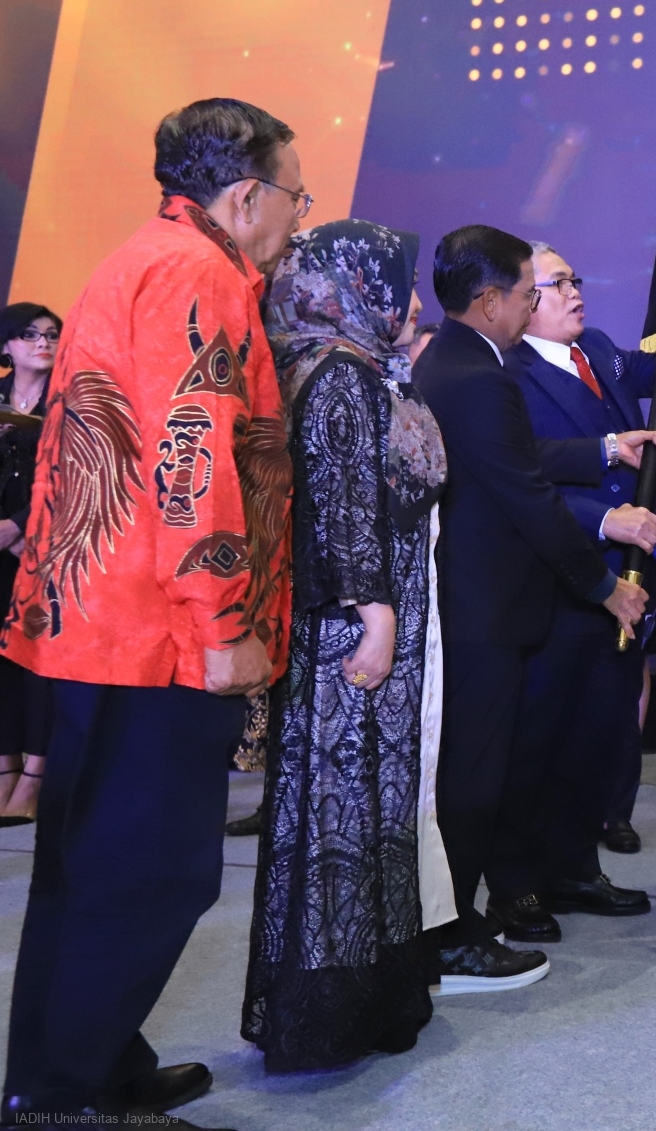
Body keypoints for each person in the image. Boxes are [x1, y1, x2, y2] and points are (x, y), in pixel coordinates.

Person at [0, 98, 299, 1125]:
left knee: (92, 865)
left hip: (108, 621)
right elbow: (190, 459)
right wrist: (221, 622)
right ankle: (65, 1093)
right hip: (156, 633)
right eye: (295, 195)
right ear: (247, 195)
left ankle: (81, 1068)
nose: (296, 217)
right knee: (150, 872)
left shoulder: (145, 256)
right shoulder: (197, 273)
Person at [411, 225, 648, 992]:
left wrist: (601, 449)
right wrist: (606, 586)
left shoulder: (455, 361)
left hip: (479, 602)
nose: (532, 303)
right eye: (525, 292)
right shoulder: (480, 375)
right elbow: (529, 495)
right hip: (485, 609)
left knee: (484, 771)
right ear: (490, 301)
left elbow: (515, 457)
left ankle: (457, 923)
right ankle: (452, 936)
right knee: (476, 779)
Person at [243, 219, 450, 1071]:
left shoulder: (331, 363)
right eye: (397, 282)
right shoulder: (338, 375)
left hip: (349, 622)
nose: (411, 303)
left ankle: (362, 992)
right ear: (355, 285)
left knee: (353, 813)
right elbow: (343, 505)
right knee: (342, 813)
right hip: (350, 632)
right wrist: (378, 616)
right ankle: (328, 1012)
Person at [477, 241, 656, 944]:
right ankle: (514, 887)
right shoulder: (505, 371)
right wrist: (604, 520)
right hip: (560, 577)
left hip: (629, 581)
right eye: (557, 282)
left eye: (576, 278)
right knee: (537, 739)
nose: (576, 291)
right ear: (523, 296)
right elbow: (520, 482)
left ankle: (574, 868)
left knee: (597, 735)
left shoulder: (598, 350)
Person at [0, 304, 58, 827]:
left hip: (49, 547)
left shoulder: (71, 397)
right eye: (29, 334)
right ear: (6, 346)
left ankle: (37, 778)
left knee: (39, 659)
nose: (42, 342)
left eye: (50, 334)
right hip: (1, 548)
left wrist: (19, 527)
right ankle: (5, 769)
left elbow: (76, 472)